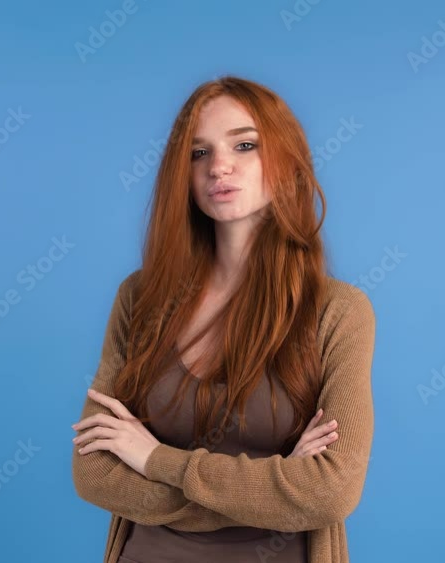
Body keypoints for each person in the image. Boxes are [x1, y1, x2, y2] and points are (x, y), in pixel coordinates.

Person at [71, 75, 376, 563]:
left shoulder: (338, 312)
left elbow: (330, 492)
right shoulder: (139, 298)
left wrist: (156, 460)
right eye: (199, 153)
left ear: (285, 161)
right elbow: (95, 473)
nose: (219, 167)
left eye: (245, 144)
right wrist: (275, 488)